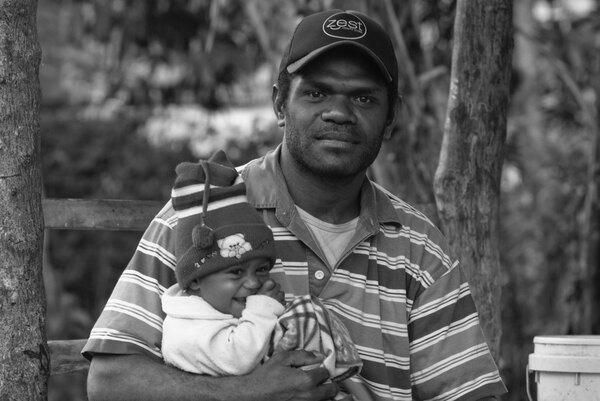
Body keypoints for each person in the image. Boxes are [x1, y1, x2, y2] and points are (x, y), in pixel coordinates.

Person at [84, 9, 508, 401]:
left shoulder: (419, 250)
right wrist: (247, 393)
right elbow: (110, 381)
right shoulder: (205, 214)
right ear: (279, 105)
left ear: (392, 118)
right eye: (317, 93)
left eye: (363, 98)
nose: (339, 113)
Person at [160, 150, 361, 398]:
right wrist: (265, 307)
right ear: (196, 281)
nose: (254, 282)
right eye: (236, 272)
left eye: (262, 269)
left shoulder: (218, 311)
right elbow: (239, 359)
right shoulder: (187, 328)